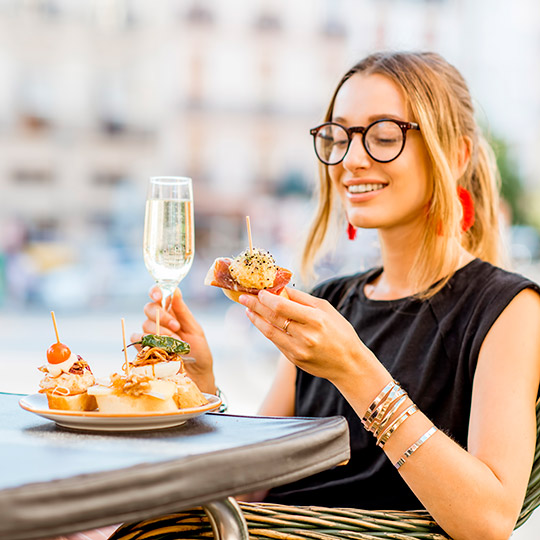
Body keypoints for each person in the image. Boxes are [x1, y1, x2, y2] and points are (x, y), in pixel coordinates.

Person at [108, 50, 540, 540]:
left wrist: (353, 369)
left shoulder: (507, 308)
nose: (352, 160)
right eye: (338, 136)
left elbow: (489, 521)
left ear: (456, 156)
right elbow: (248, 490)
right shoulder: (327, 300)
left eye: (383, 136)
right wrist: (201, 389)